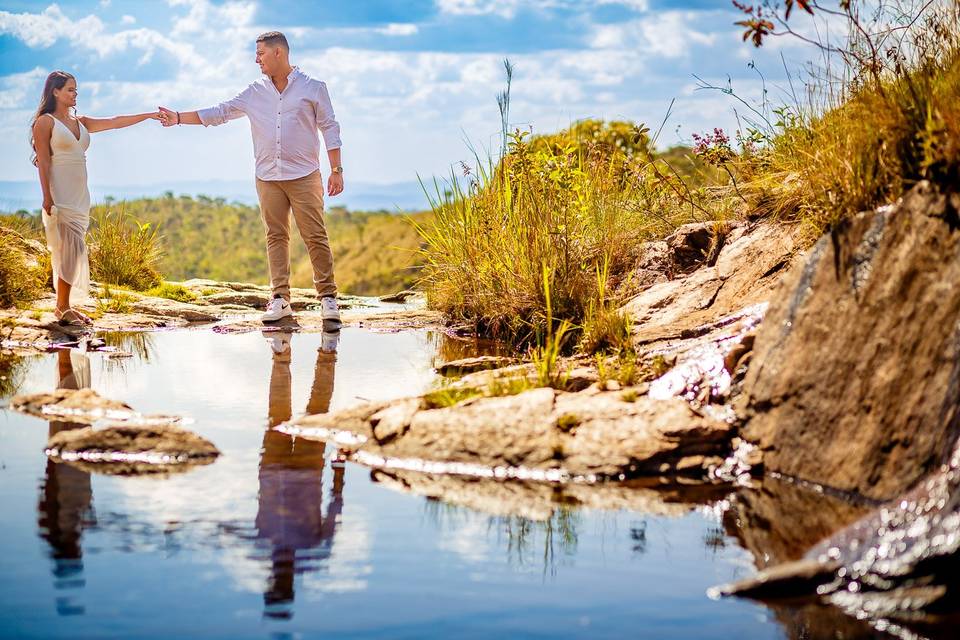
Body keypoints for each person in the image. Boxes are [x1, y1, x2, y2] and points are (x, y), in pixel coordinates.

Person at [158, 31, 343, 328]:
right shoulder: (254, 91)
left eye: (260, 54)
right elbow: (220, 112)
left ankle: (328, 299)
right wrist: (179, 117)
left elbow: (330, 127)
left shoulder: (313, 87)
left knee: (315, 236)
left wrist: (336, 170)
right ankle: (280, 299)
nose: (256, 59)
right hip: (267, 176)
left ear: (279, 53)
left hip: (305, 175)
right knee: (275, 236)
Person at [31, 71, 159, 327]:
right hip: (60, 193)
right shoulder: (45, 122)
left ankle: (63, 306)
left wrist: (147, 115)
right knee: (70, 248)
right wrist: (46, 197)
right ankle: (63, 307)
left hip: (80, 195)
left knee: (74, 249)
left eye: (75, 90)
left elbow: (114, 121)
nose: (74, 94)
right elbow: (44, 162)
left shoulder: (80, 121)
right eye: (70, 89)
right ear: (55, 91)